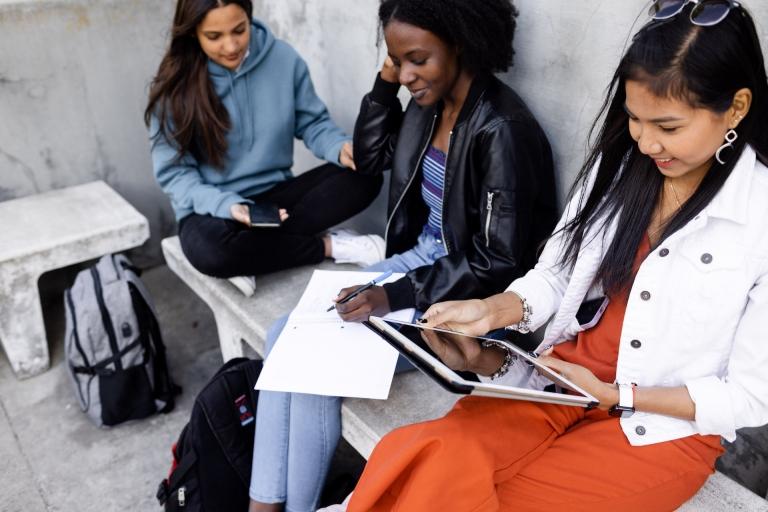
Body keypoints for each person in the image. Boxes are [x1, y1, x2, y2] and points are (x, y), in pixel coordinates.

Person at [345, 1, 768, 510]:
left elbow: (749, 395)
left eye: (669, 126)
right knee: (428, 460)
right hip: (557, 386)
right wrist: (493, 313)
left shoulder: (757, 214)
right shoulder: (618, 171)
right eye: (634, 119)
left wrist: (620, 396)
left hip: (660, 429)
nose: (647, 141)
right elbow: (557, 274)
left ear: (737, 108)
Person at [249, 0, 558, 510]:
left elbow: (499, 260)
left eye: (418, 59)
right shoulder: (426, 103)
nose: (408, 74)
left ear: (460, 43)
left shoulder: (503, 129)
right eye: (398, 60)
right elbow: (368, 160)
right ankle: (263, 504)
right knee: (285, 333)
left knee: (313, 364)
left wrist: (391, 294)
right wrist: (385, 82)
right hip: (417, 261)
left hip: (467, 298)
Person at [145, 0, 384, 296]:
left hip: (274, 199)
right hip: (212, 210)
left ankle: (255, 255)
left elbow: (312, 123)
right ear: (193, 33)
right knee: (213, 252)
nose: (231, 46)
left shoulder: (283, 59)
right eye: (214, 36)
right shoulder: (176, 87)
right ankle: (328, 245)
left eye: (239, 30)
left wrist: (339, 147)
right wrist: (229, 207)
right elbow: (175, 175)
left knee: (366, 176)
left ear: (249, 17)